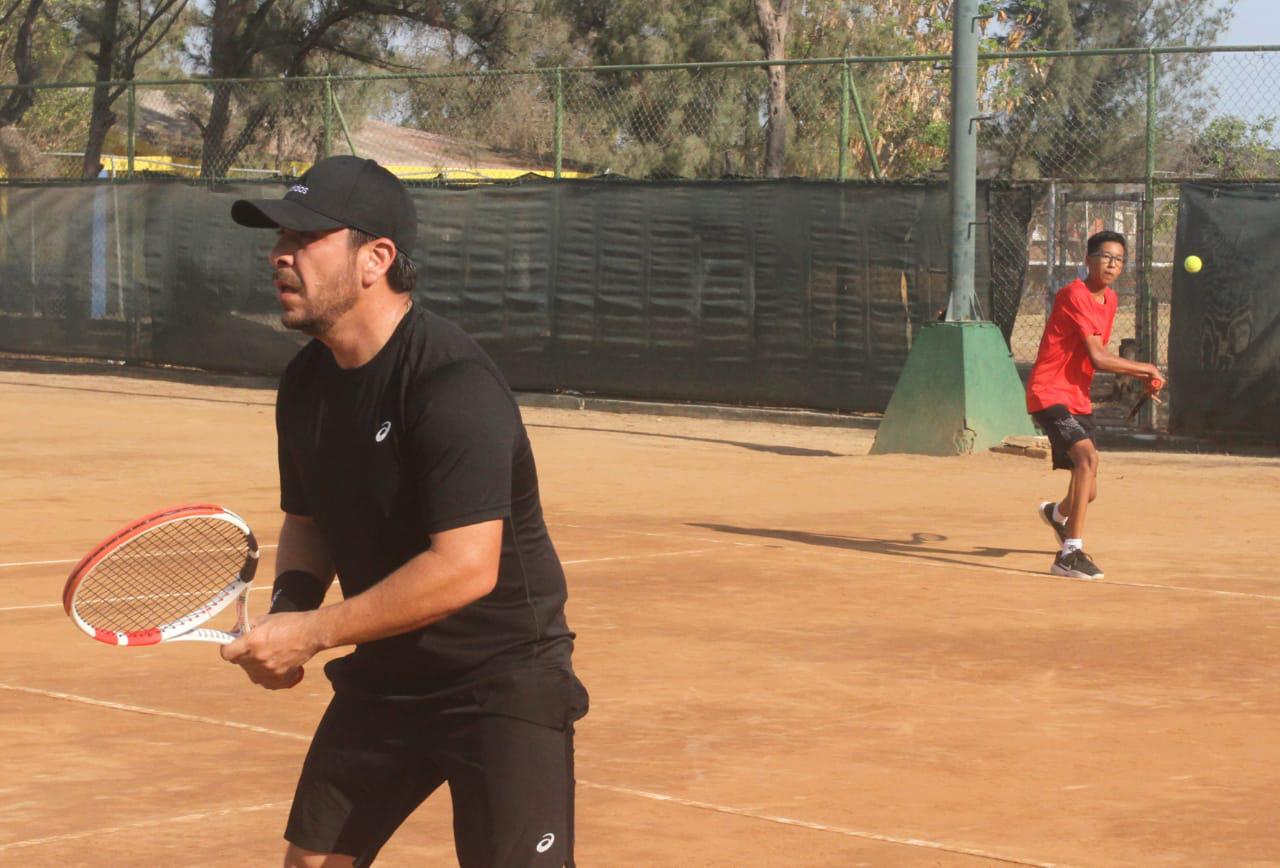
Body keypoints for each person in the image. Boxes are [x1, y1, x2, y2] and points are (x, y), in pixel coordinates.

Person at [222, 155, 588, 867]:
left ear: (376, 258)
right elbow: (309, 520)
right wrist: (287, 611)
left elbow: (466, 569)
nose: (280, 256)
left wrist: (316, 632)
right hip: (388, 677)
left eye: (304, 238)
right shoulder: (305, 382)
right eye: (277, 239)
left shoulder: (453, 385)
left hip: (502, 680)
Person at [1025, 230, 1164, 580]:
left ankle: (1057, 515)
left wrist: (1140, 375)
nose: (1112, 263)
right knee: (1088, 458)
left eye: (1119, 259)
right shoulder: (1073, 294)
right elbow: (1099, 357)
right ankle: (1069, 555)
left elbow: (1094, 356)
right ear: (1088, 260)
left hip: (1077, 397)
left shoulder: (1111, 300)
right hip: (1049, 392)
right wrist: (1146, 368)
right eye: (1105, 256)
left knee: (1088, 491)